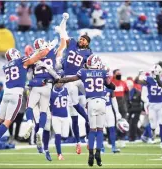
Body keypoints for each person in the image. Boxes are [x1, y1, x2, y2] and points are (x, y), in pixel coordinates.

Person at [0, 39, 58, 156]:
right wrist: (49, 48)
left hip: (6, 93)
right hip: (16, 94)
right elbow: (38, 56)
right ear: (16, 54)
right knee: (8, 121)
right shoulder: (21, 61)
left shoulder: (6, 66)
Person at [57, 54, 115, 167]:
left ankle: (90, 155)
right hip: (102, 103)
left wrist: (59, 79)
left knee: (92, 130)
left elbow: (70, 79)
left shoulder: (83, 72)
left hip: (91, 103)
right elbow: (111, 86)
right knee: (99, 130)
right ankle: (98, 153)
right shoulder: (103, 72)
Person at [23, 14, 68, 159]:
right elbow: (63, 45)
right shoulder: (52, 54)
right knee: (44, 114)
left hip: (35, 85)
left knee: (30, 109)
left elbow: (27, 70)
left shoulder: (33, 58)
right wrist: (61, 32)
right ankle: (40, 132)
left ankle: (30, 123)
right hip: (48, 86)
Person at [55, 12, 92, 154]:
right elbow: (63, 31)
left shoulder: (89, 52)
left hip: (80, 78)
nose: (81, 40)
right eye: (81, 38)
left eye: (84, 39)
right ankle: (78, 142)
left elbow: (90, 66)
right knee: (74, 115)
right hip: (69, 79)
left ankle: (90, 138)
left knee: (91, 96)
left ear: (87, 43)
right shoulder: (71, 44)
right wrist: (64, 19)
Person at [138, 64, 162, 148]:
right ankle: (152, 134)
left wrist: (158, 80)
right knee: (153, 123)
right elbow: (140, 81)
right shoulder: (149, 79)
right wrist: (140, 75)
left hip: (161, 104)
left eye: (154, 72)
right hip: (152, 105)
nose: (152, 74)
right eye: (152, 72)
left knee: (161, 122)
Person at [50, 81, 69, 160]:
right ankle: (59, 154)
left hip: (65, 116)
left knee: (65, 136)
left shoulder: (66, 90)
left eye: (61, 82)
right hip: (55, 116)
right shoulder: (51, 91)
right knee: (58, 135)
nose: (59, 83)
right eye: (58, 82)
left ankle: (56, 141)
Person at [111, 69, 129, 147]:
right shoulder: (111, 82)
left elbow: (127, 92)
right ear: (114, 74)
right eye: (118, 74)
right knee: (113, 122)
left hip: (122, 105)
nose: (119, 75)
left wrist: (126, 101)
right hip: (114, 105)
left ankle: (122, 139)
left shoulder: (123, 82)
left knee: (124, 122)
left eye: (120, 74)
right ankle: (112, 140)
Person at [102, 87, 122, 153]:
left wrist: (117, 111)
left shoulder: (109, 87)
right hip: (100, 108)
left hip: (109, 108)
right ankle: (101, 148)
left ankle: (113, 147)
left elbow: (114, 99)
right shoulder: (95, 86)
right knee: (100, 129)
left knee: (112, 127)